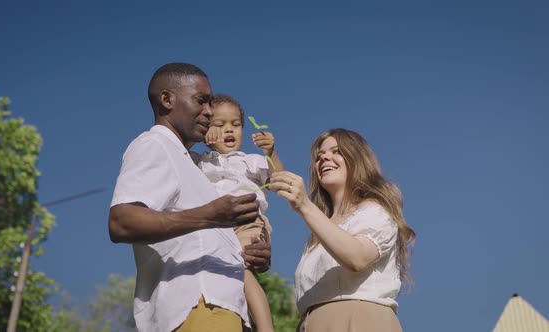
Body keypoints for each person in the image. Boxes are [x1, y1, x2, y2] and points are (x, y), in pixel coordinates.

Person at [108, 63, 272, 332]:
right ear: (167, 100)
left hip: (227, 309)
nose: (209, 111)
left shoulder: (197, 169)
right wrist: (211, 216)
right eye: (201, 101)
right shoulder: (155, 144)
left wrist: (254, 254)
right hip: (198, 306)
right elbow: (121, 221)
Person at [269, 128, 415, 332]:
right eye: (319, 156)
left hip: (359, 323)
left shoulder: (375, 211)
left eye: (336, 151)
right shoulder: (319, 234)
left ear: (357, 159)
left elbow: (357, 257)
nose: (324, 158)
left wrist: (305, 205)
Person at [193, 94, 284, 332]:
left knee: (241, 269)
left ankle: (266, 328)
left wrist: (271, 152)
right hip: (216, 226)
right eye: (219, 125)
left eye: (235, 124)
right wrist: (200, 138)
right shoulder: (200, 161)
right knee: (227, 275)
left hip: (248, 221)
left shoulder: (250, 161)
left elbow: (277, 181)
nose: (229, 130)